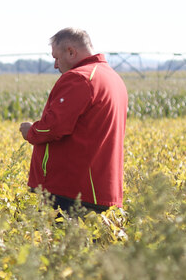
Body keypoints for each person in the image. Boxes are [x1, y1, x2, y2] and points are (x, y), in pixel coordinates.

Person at [19, 28, 128, 214]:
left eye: (56, 57)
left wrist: (31, 131)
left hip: (71, 191)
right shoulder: (112, 78)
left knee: (55, 241)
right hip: (99, 190)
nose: (55, 65)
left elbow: (54, 127)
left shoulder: (80, 78)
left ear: (71, 51)